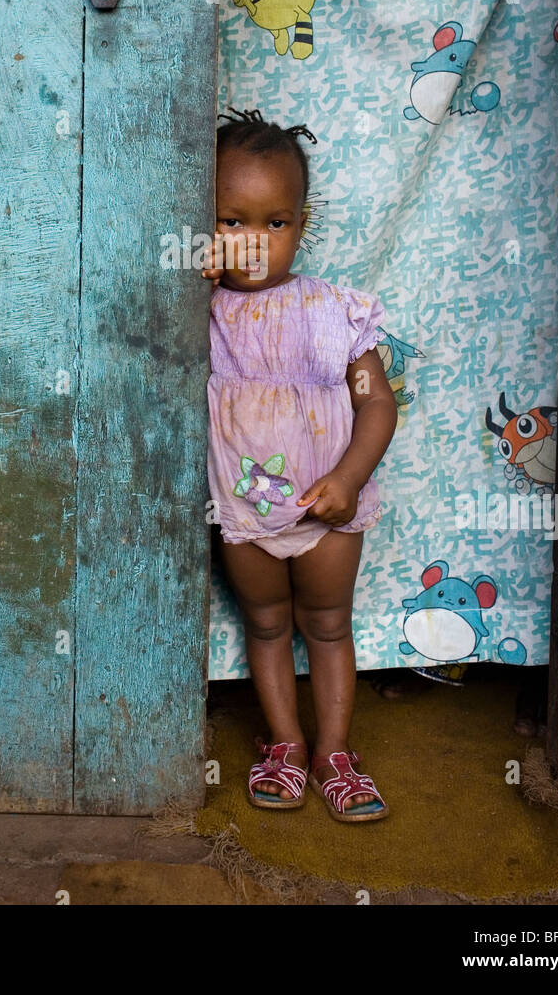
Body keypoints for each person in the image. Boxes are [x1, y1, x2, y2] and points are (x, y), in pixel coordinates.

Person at [202, 108, 398, 821]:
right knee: (265, 625)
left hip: (329, 508)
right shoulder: (201, 310)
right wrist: (192, 280)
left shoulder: (332, 312)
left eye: (274, 223)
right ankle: (284, 744)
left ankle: (335, 755)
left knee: (328, 625)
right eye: (232, 222)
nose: (254, 243)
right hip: (246, 513)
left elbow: (376, 406)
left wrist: (347, 479)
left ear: (302, 222)